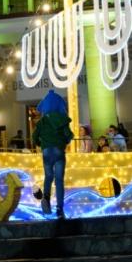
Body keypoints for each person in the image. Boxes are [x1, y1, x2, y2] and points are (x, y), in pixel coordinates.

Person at [32, 91, 74, 219]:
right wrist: (64, 142)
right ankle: (59, 209)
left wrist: (40, 143)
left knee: (48, 176)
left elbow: (34, 137)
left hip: (46, 151)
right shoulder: (62, 120)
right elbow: (69, 135)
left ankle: (46, 199)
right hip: (58, 151)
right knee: (59, 180)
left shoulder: (42, 121)